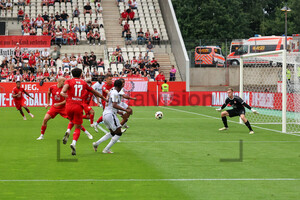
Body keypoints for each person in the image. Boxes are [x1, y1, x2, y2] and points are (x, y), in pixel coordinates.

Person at [60, 68, 106, 155]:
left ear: (72, 74)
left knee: (72, 120)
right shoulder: (84, 83)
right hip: (78, 106)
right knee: (77, 127)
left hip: (69, 106)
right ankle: (73, 143)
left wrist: (63, 93)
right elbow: (94, 92)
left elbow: (64, 90)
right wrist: (104, 98)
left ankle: (68, 131)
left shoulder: (68, 81)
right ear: (81, 74)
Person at [92, 79, 131, 154]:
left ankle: (96, 143)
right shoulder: (115, 93)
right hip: (110, 114)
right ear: (120, 86)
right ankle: (106, 149)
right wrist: (125, 110)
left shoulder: (111, 92)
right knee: (119, 133)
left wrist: (120, 112)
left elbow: (111, 105)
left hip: (106, 113)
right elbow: (114, 105)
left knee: (113, 133)